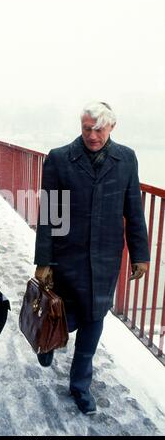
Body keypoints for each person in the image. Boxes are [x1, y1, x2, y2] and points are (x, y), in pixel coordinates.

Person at [34, 101, 149, 415]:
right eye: (87, 129)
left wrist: (141, 254)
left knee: (94, 320)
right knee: (63, 315)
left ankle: (80, 386)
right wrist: (44, 260)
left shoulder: (126, 159)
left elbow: (133, 211)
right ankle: (49, 340)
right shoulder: (59, 159)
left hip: (105, 258)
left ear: (112, 126)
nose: (93, 135)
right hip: (67, 256)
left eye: (99, 129)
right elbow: (49, 214)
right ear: (81, 126)